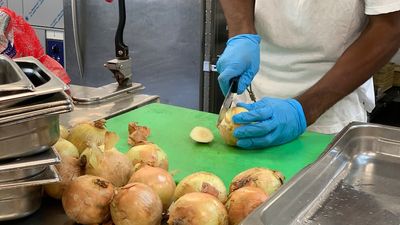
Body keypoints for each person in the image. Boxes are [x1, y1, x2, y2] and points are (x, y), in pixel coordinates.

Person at [217, 0, 400, 149]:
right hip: (250, 95)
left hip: (329, 110)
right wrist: (241, 32)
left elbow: (390, 27)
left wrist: (304, 111)